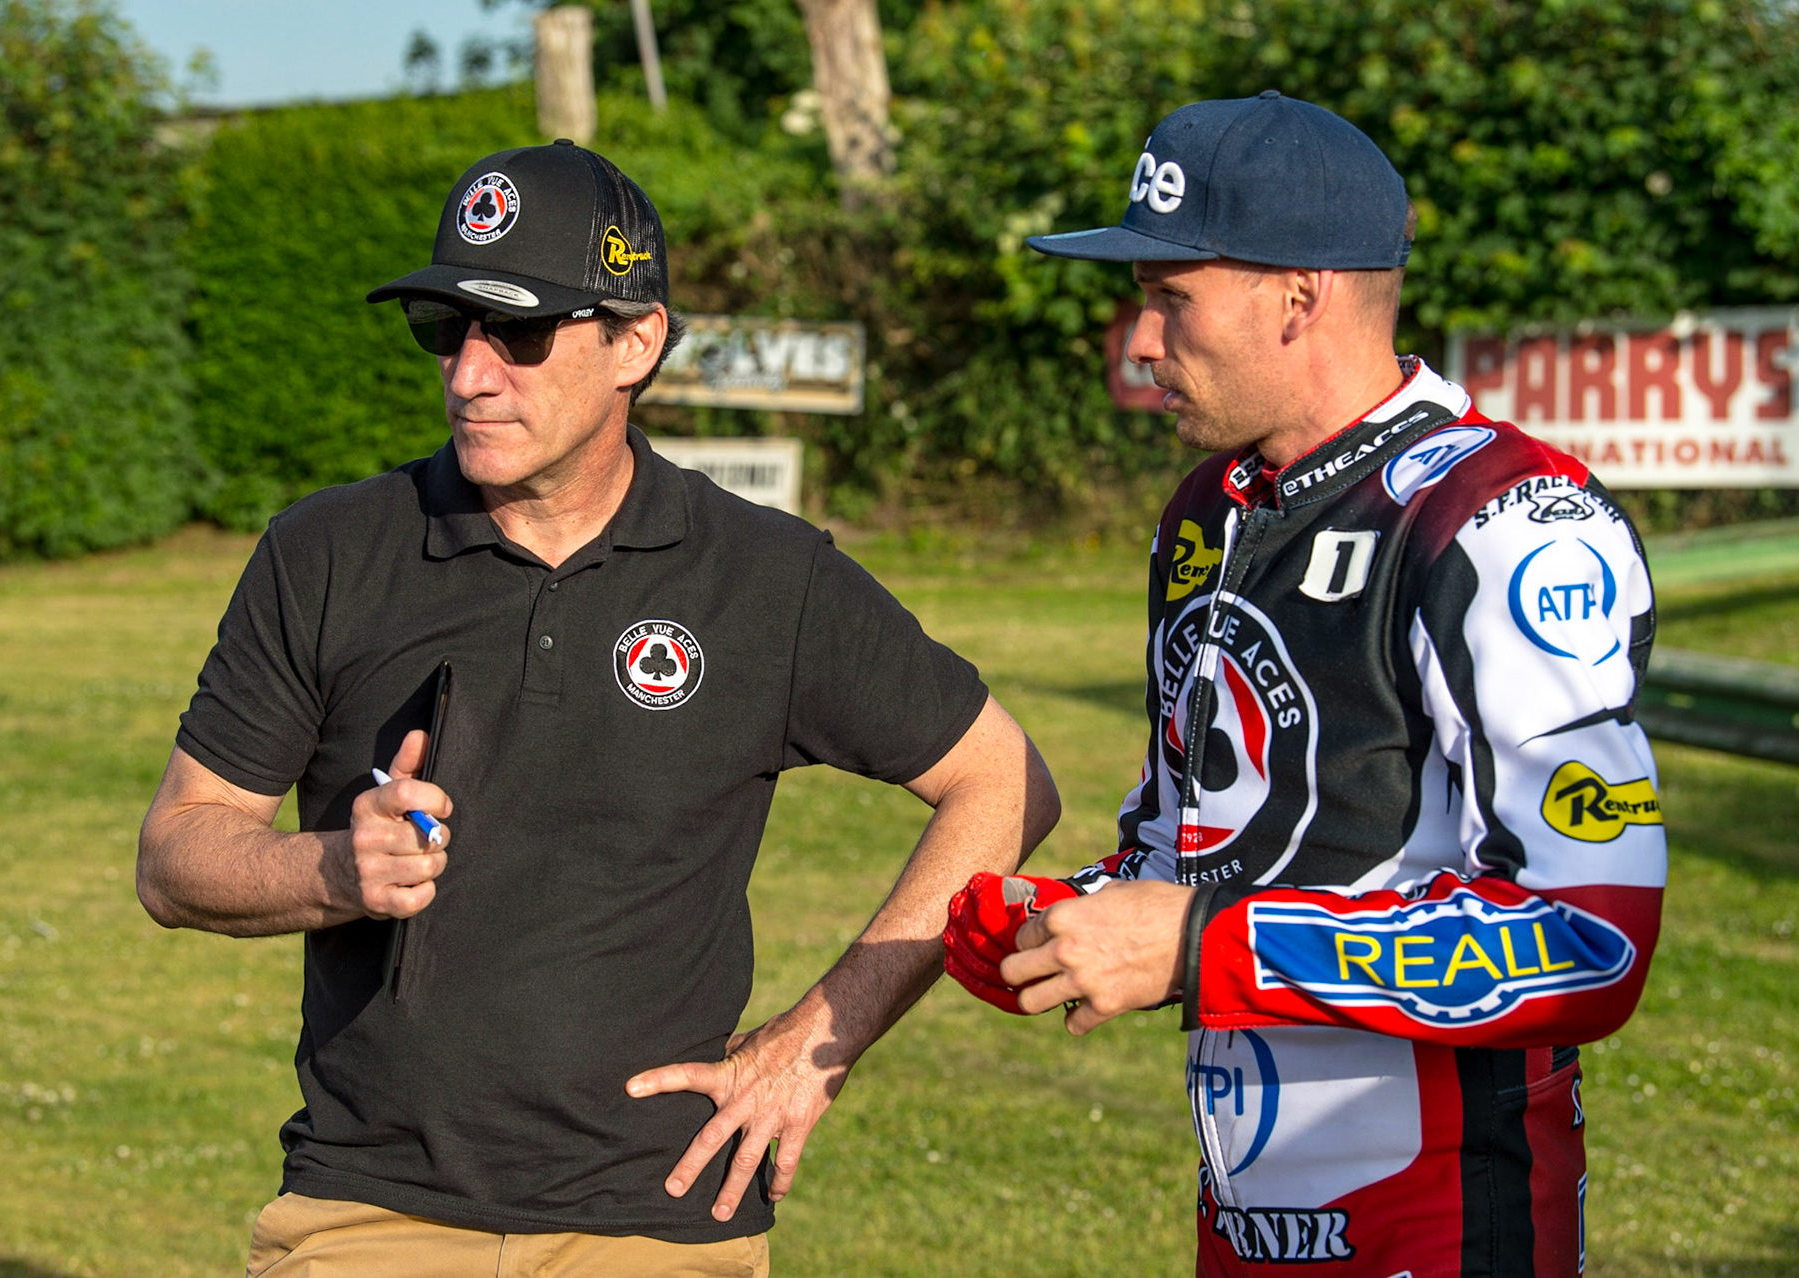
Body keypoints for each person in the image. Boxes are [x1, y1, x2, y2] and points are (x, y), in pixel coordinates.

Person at [137, 140, 1060, 1278]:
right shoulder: (327, 554)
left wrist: (818, 1040)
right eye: (446, 329)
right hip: (369, 1209)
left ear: (637, 341)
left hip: (658, 1221)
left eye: (518, 333)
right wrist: (332, 868)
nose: (471, 373)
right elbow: (176, 853)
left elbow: (1004, 778)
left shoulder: (767, 577)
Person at [942, 92, 1666, 1276]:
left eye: (1169, 298)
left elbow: (1590, 936)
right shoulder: (1207, 514)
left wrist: (1193, 948)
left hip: (1444, 1223)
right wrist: (1056, 918)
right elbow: (1189, 845)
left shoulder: (1505, 519)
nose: (1137, 340)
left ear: (1300, 297)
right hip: (1243, 1210)